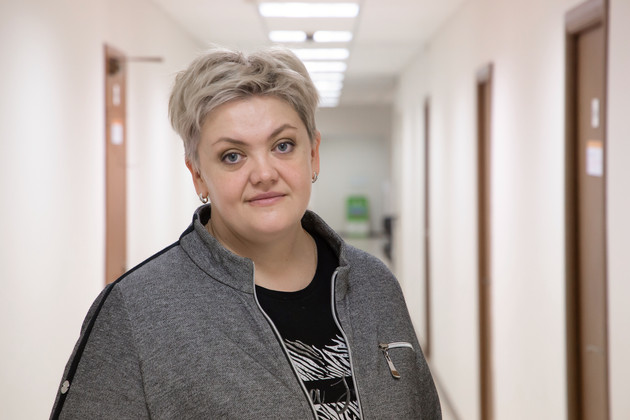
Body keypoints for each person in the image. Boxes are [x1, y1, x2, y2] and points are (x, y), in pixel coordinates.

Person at [50, 46, 441, 419]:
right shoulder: (135, 312)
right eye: (232, 156)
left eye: (283, 145)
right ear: (197, 174)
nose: (264, 173)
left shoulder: (374, 285)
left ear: (313, 154)